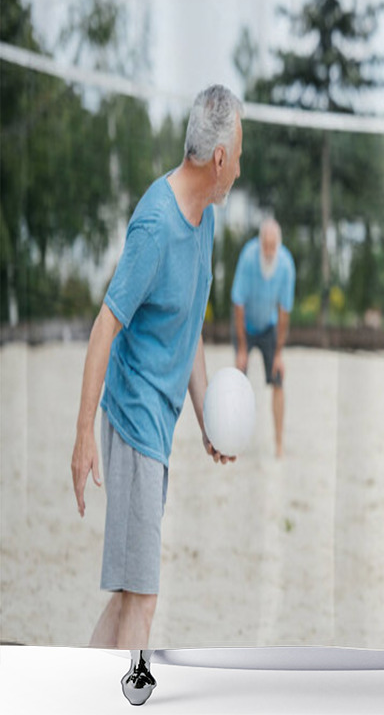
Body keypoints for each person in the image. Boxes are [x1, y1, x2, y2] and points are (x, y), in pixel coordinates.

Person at [70, 85, 244, 651]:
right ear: (218, 158)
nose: (240, 167)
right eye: (238, 153)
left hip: (158, 430)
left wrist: (207, 419)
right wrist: (82, 437)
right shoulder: (155, 225)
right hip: (134, 424)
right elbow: (104, 327)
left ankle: (79, 695)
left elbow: (189, 325)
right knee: (142, 600)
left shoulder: (206, 219)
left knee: (127, 594)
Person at [231, 218, 296, 458]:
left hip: (270, 326)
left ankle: (279, 442)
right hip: (245, 324)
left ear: (278, 244)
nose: (268, 252)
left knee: (278, 379)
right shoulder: (248, 257)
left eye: (273, 246)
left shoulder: (286, 265)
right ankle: (232, 438)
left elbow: (284, 312)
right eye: (265, 246)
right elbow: (238, 303)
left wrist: (279, 354)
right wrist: (241, 348)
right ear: (260, 244)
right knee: (237, 380)